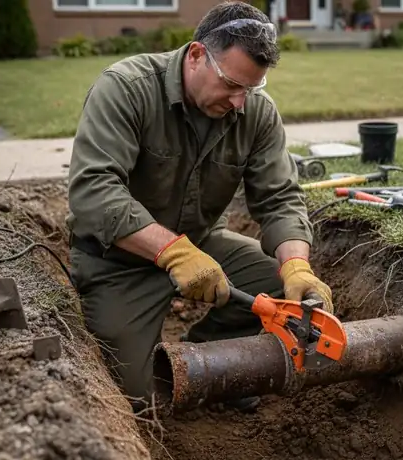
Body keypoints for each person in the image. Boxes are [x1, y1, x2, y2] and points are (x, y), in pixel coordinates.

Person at [65, 1, 334, 414]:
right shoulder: (127, 88)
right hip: (117, 262)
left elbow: (279, 197)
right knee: (137, 399)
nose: (240, 101)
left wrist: (297, 266)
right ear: (195, 56)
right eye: (231, 84)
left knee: (282, 288)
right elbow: (93, 192)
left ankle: (205, 355)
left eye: (251, 88)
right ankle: (160, 371)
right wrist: (171, 252)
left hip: (202, 245)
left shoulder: (256, 113)